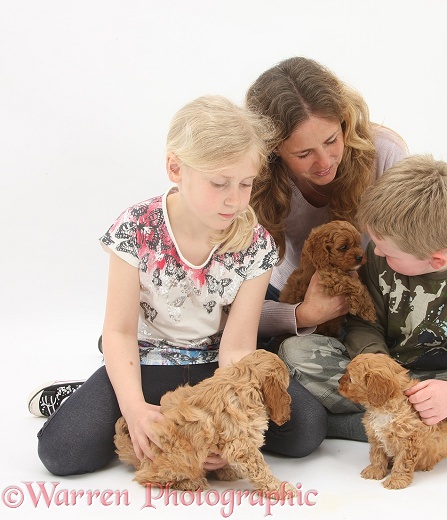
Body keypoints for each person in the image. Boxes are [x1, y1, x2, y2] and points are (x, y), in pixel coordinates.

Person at [28, 95, 327, 476]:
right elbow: (119, 331)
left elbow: (236, 347)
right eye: (219, 183)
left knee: (306, 431)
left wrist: (224, 426)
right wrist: (134, 410)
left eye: (245, 184)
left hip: (214, 368)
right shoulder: (137, 227)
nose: (234, 199)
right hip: (148, 362)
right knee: (63, 453)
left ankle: (128, 404)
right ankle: (84, 393)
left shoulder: (255, 244)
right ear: (175, 168)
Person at [278, 155, 447, 456]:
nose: (375, 252)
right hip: (385, 379)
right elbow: (363, 323)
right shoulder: (382, 258)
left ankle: (349, 426)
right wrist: (377, 364)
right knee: (295, 352)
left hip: (441, 385)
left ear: (435, 259)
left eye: (386, 249)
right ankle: (401, 429)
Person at [245, 56, 409, 339]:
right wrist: (302, 314)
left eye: (332, 140)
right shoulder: (252, 178)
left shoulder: (386, 154)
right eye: (303, 154)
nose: (324, 162)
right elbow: (231, 311)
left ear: (345, 123)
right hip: (287, 295)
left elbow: (415, 255)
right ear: (274, 153)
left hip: (375, 293)